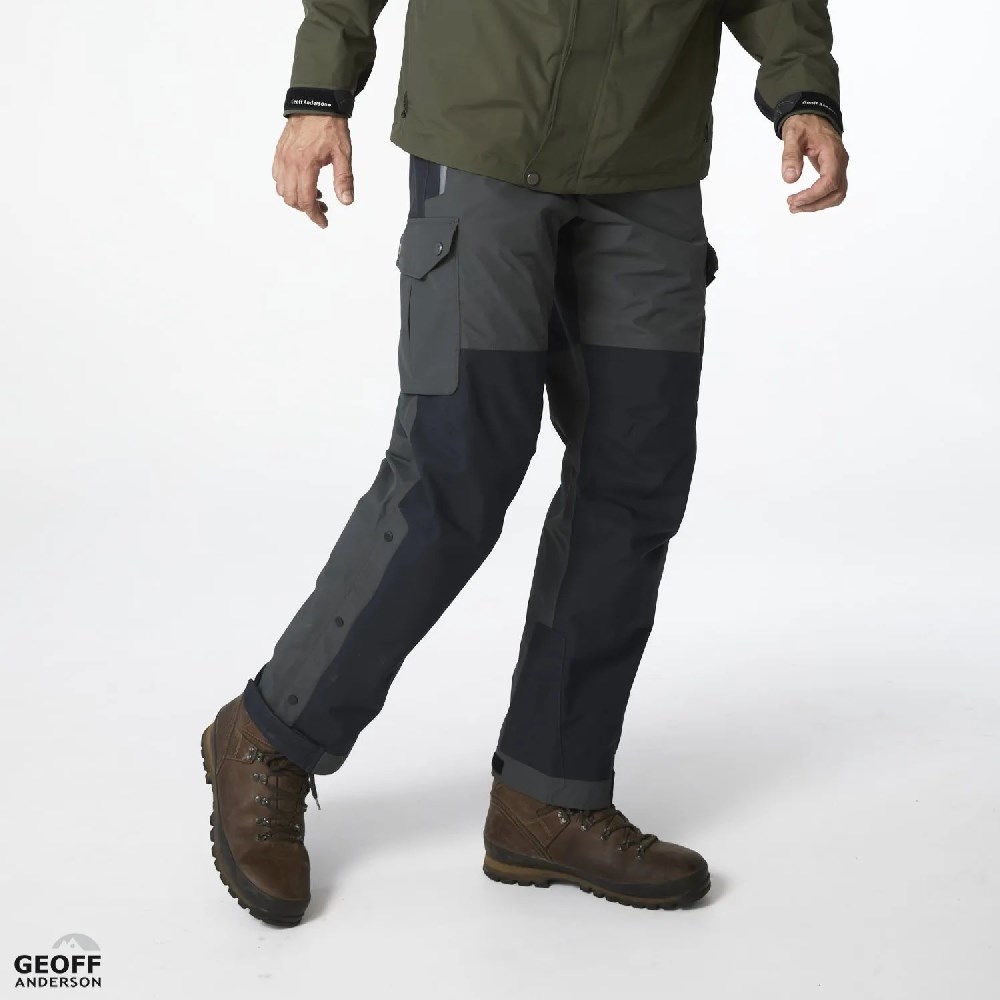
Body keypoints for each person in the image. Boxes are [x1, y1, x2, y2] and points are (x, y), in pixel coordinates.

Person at [201, 0, 849, 926]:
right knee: (455, 467)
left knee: (636, 476)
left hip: (648, 161)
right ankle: (271, 733)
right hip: (484, 141)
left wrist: (803, 90)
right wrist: (318, 93)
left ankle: (550, 794)